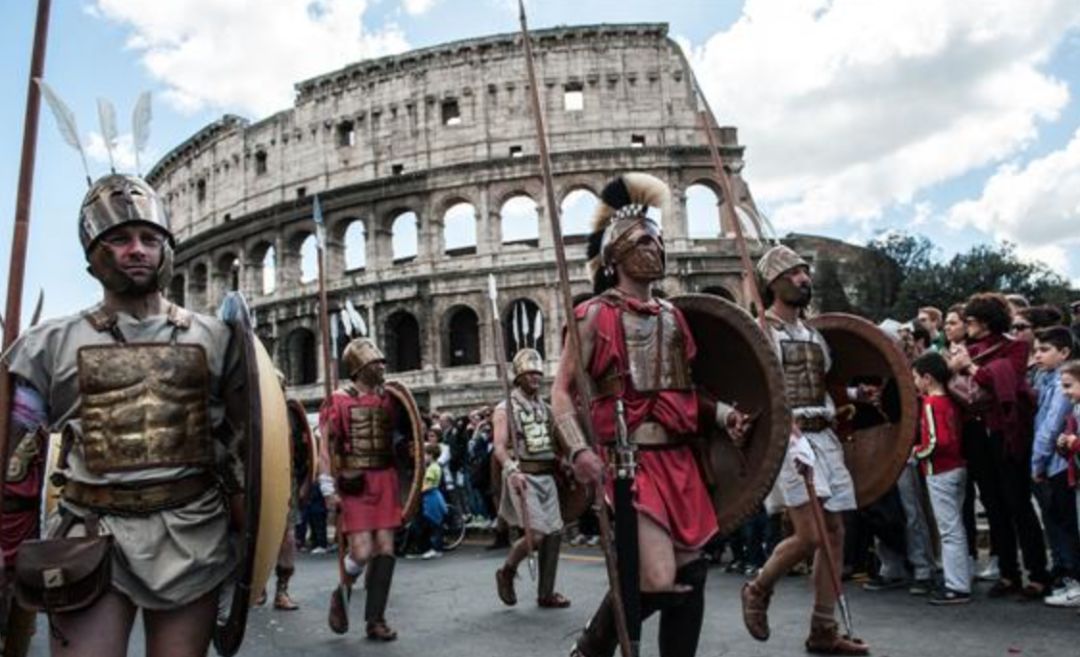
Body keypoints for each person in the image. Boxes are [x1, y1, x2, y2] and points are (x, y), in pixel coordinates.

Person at [1, 174, 245, 657]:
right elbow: (15, 469)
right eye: (119, 239)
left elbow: (246, 450)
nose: (137, 250)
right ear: (94, 254)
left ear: (167, 249)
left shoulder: (218, 339)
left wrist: (254, 543)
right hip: (92, 535)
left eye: (149, 239)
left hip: (192, 533)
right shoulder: (46, 347)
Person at [552, 173, 751, 657]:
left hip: (681, 461)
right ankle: (590, 648)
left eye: (658, 238)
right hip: (630, 462)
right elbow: (561, 392)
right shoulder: (595, 315)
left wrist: (725, 416)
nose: (655, 247)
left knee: (692, 574)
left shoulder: (673, 316)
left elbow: (684, 392)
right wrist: (578, 449)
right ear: (616, 255)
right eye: (643, 240)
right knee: (658, 577)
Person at [741, 245, 872, 655]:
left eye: (805, 272)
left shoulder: (814, 334)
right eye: (794, 273)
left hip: (824, 435)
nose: (804, 278)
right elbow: (760, 387)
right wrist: (788, 429)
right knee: (810, 533)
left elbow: (824, 384)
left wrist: (855, 393)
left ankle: (822, 628)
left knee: (834, 533)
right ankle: (759, 587)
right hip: (791, 437)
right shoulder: (764, 331)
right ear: (774, 283)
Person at [948, 293, 1050, 598]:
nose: (967, 326)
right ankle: (1008, 573)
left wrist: (970, 368)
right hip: (977, 433)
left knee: (1017, 503)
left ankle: (1038, 575)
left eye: (970, 321)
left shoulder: (1014, 346)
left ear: (986, 321)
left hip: (1006, 432)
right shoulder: (968, 349)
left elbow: (1003, 379)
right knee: (993, 504)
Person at [318, 338, 411, 641]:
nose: (382, 366)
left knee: (386, 550)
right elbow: (327, 448)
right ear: (359, 368)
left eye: (383, 362)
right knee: (362, 551)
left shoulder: (389, 398)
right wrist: (327, 486)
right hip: (355, 481)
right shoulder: (338, 400)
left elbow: (408, 431)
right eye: (376, 363)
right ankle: (341, 592)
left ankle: (376, 619)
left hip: (385, 479)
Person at [494, 348, 571, 609]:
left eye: (538, 373)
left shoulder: (546, 408)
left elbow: (555, 443)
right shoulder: (505, 408)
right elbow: (500, 447)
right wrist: (511, 470)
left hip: (547, 476)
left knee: (554, 535)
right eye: (530, 374)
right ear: (518, 377)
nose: (536, 378)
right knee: (536, 534)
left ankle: (546, 593)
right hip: (522, 476)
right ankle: (507, 571)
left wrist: (566, 462)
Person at [911, 351, 971, 604]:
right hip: (956, 467)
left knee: (949, 530)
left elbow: (937, 441)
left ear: (927, 378)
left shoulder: (931, 404)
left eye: (916, 377)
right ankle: (959, 577)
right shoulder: (951, 400)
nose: (914, 382)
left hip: (940, 470)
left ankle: (956, 584)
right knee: (954, 527)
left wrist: (918, 453)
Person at [1029, 328, 1080, 606]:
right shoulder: (1047, 379)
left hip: (1058, 465)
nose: (1037, 354)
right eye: (1036, 349)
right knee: (1058, 523)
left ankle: (1072, 578)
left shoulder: (1063, 384)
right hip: (1053, 463)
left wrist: (1037, 461)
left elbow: (1049, 428)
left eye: (1044, 349)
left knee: (1065, 526)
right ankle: (1066, 576)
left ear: (1064, 353)